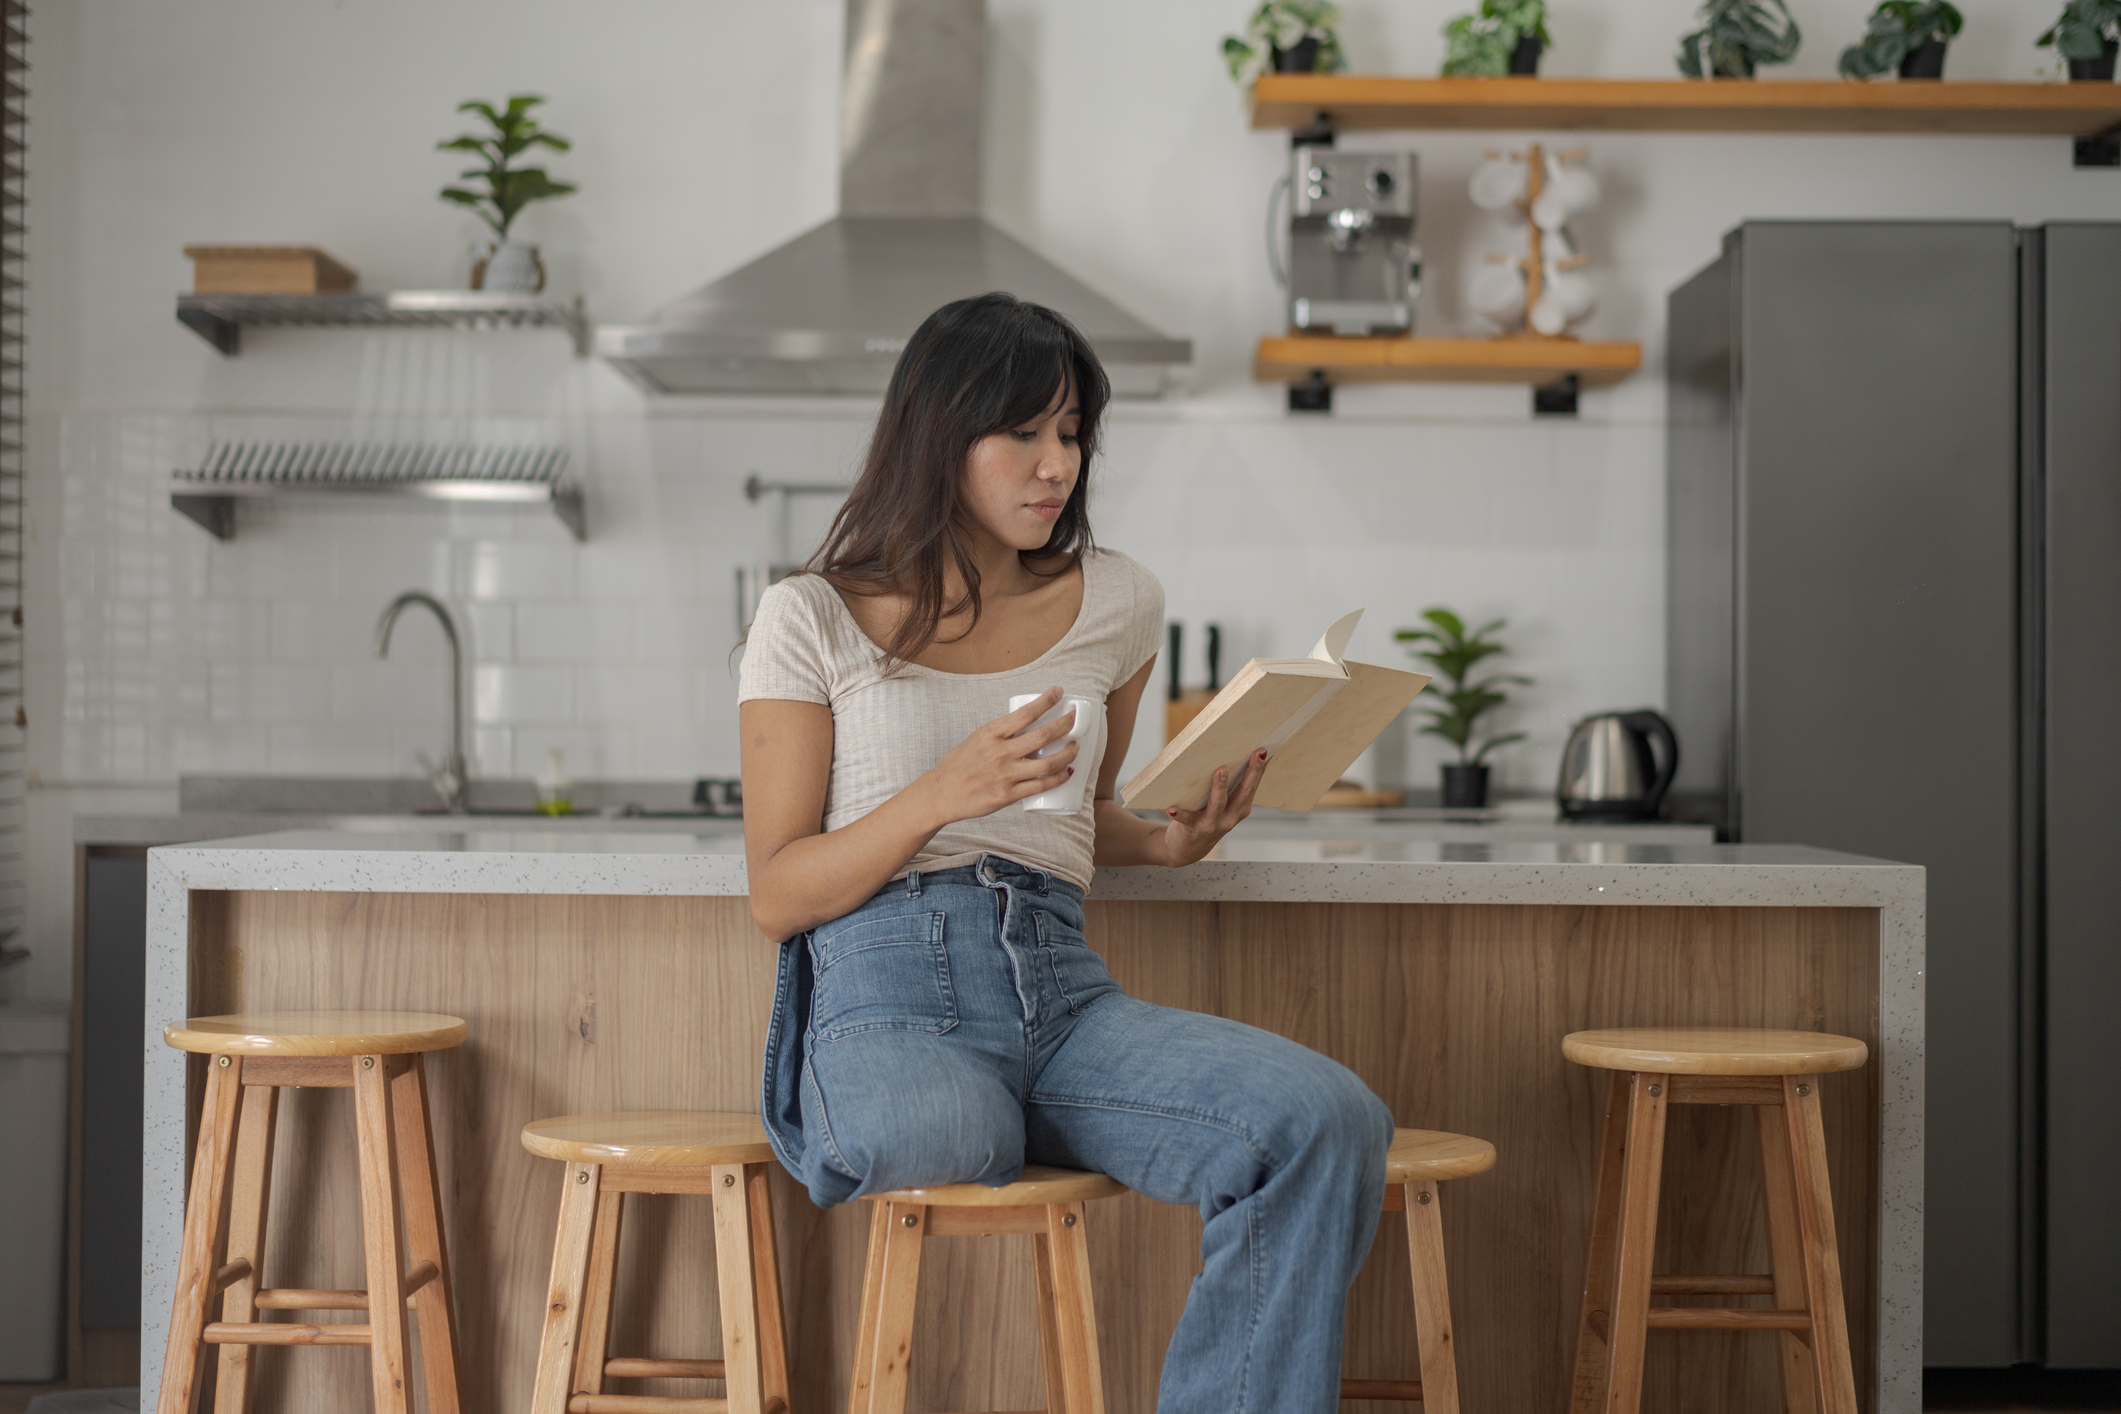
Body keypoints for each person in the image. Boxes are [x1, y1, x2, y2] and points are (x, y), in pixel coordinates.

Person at [738, 291, 1392, 1414]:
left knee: (1326, 1119)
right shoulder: (812, 615)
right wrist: (938, 794)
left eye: (1074, 433)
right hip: (889, 984)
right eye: (1027, 433)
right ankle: (863, 1092)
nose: (1059, 466)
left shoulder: (1120, 601)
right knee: (952, 1128)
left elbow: (1080, 818)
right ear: (942, 433)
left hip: (1062, 991)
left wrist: (1169, 839)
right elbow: (777, 889)